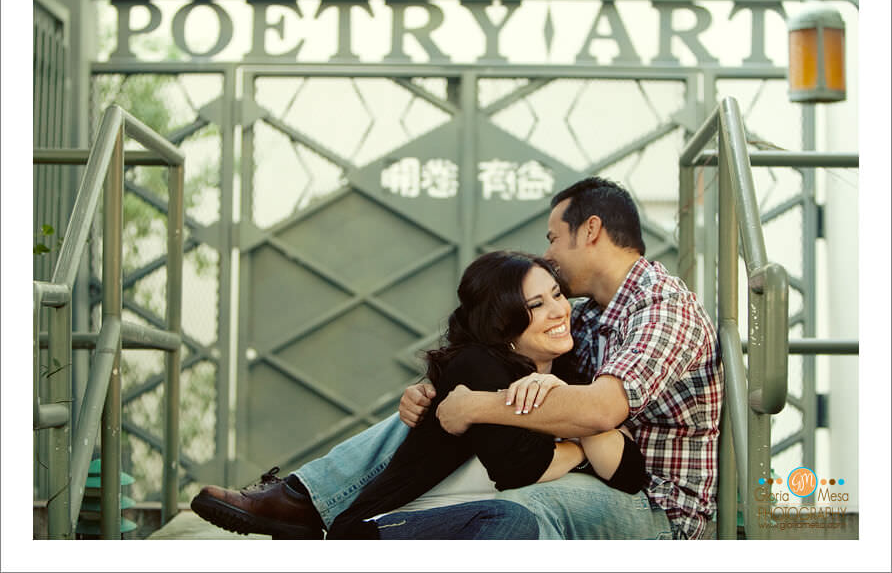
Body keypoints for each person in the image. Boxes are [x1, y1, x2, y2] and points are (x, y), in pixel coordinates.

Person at [192, 176, 722, 540]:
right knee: (448, 410)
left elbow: (602, 408)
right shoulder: (589, 315)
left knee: (514, 517)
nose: (550, 256)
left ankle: (354, 539)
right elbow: (511, 361)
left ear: (591, 231)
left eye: (554, 239)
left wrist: (475, 406)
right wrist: (438, 388)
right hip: (597, 472)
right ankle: (305, 498)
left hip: (656, 508)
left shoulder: (662, 309)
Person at [192, 251, 646, 539]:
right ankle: (301, 500)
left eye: (557, 295)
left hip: (463, 531)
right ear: (501, 321)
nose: (560, 311)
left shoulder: (569, 375)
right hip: (382, 532)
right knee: (513, 521)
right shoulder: (478, 367)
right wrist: (580, 434)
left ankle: (297, 500)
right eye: (536, 305)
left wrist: (566, 400)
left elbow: (626, 473)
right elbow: (520, 468)